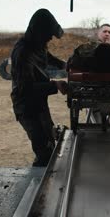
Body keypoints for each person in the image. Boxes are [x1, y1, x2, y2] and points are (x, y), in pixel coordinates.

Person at [10, 9, 68, 167]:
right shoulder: (22, 52)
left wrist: (67, 65)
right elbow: (25, 89)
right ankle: (39, 183)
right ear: (39, 31)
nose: (50, 38)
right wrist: (55, 85)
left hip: (39, 103)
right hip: (26, 107)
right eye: (48, 34)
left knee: (50, 141)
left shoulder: (38, 45)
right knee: (44, 151)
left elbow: (48, 58)